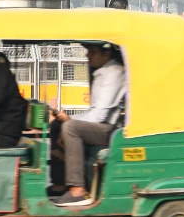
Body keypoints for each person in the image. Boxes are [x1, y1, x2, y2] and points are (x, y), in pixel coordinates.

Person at [49, 42, 127, 207]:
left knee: (70, 128)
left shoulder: (114, 73)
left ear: (106, 54)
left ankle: (78, 190)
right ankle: (59, 184)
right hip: (100, 125)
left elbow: (99, 115)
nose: (87, 55)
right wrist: (66, 118)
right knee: (57, 125)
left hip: (108, 129)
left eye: (93, 52)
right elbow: (92, 112)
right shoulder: (102, 72)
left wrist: (69, 121)